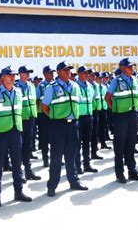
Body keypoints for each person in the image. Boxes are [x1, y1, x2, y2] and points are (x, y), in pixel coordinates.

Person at [0, 66, 33, 208]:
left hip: (15, 131)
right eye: (10, 75)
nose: (13, 77)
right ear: (3, 77)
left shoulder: (18, 91)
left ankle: (18, 192)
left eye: (14, 75)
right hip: (0, 133)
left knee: (17, 163)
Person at [42, 61, 88, 197]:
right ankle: (52, 186)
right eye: (65, 70)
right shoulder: (52, 87)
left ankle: (74, 181)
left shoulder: (75, 86)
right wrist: (55, 116)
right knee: (56, 157)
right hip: (58, 126)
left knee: (71, 155)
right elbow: (44, 106)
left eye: (69, 70)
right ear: (59, 72)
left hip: (73, 125)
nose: (68, 72)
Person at [105, 58, 138, 184]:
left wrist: (136, 107)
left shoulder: (134, 80)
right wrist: (116, 109)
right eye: (129, 66)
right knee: (120, 145)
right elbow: (108, 97)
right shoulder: (116, 80)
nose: (131, 68)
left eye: (132, 66)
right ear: (122, 68)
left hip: (132, 114)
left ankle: (132, 170)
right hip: (120, 116)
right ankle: (119, 173)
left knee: (131, 142)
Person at [15, 66, 42, 181]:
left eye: (29, 73)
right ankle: (19, 174)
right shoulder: (16, 87)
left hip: (31, 119)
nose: (28, 75)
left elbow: (34, 101)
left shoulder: (31, 86)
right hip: (20, 120)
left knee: (27, 147)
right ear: (20, 74)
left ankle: (28, 171)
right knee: (18, 148)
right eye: (26, 73)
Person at [75, 66, 98, 174]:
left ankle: (87, 164)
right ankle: (77, 166)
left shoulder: (90, 86)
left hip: (89, 116)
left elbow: (92, 98)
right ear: (79, 74)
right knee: (77, 143)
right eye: (84, 73)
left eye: (87, 73)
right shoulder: (75, 86)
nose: (86, 75)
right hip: (79, 118)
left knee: (86, 142)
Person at [37, 65, 55, 167]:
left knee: (54, 139)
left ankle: (54, 159)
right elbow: (37, 101)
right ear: (44, 74)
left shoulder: (55, 85)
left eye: (52, 73)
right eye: (49, 73)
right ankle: (45, 159)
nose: (51, 75)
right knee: (44, 139)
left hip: (53, 115)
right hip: (43, 115)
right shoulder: (40, 86)